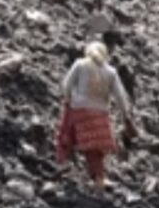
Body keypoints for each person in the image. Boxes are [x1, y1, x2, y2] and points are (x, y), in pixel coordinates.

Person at [55, 42, 134, 190]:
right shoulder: (111, 72)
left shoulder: (80, 65)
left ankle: (64, 165)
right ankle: (99, 179)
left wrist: (69, 100)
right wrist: (125, 116)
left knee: (66, 134)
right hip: (99, 113)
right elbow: (120, 97)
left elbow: (67, 85)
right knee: (95, 148)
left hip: (78, 109)